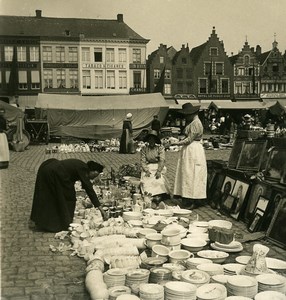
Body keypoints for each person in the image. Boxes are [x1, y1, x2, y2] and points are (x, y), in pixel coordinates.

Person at [30, 159, 107, 232]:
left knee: (51, 196)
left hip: (49, 168)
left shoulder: (82, 165)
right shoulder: (83, 169)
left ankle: (45, 220)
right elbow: (89, 189)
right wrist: (100, 208)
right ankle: (64, 222)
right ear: (92, 171)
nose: (94, 178)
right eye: (95, 175)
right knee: (69, 198)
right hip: (52, 172)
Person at [173, 103, 207, 209]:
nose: (186, 117)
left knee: (192, 173)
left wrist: (176, 143)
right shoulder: (193, 122)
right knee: (187, 172)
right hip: (190, 149)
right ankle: (187, 196)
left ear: (192, 113)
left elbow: (189, 139)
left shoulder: (196, 123)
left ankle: (193, 198)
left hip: (194, 149)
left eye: (187, 114)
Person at [140, 130, 171, 199]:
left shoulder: (160, 148)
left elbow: (162, 160)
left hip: (158, 166)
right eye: (150, 139)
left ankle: (160, 194)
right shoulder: (144, 149)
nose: (151, 141)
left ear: (155, 140)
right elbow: (143, 161)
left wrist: (159, 171)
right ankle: (150, 194)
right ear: (148, 140)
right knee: (146, 179)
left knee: (158, 180)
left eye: (153, 139)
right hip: (148, 166)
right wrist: (146, 170)